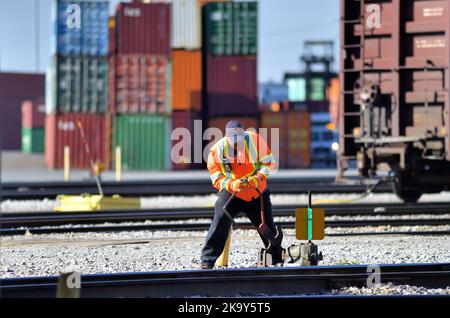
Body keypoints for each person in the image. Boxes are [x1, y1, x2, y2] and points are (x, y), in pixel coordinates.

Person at [200, 120, 283, 269]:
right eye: (233, 142)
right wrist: (231, 184)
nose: (236, 145)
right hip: (233, 192)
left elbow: (269, 163)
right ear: (227, 138)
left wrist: (258, 178)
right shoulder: (217, 150)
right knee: (220, 221)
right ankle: (207, 260)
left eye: (239, 141)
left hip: (256, 191)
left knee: (267, 225)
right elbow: (216, 176)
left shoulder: (255, 140)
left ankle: (276, 258)